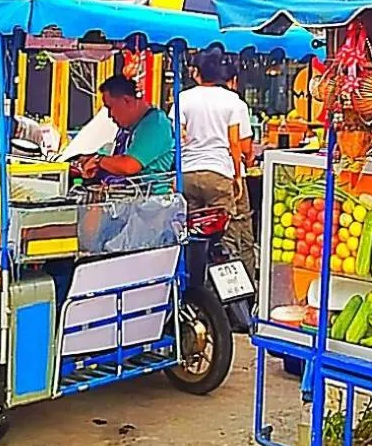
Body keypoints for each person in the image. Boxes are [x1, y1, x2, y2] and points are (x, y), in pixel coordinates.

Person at [176, 50, 257, 278]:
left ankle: (194, 285)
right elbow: (236, 143)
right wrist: (238, 176)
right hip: (219, 173)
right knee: (225, 235)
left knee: (191, 233)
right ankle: (227, 293)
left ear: (197, 73)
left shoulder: (183, 98)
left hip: (188, 174)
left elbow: (177, 135)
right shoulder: (232, 101)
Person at [74, 74, 175, 181]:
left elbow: (129, 166)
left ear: (127, 101)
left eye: (110, 107)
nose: (110, 115)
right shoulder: (128, 128)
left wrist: (99, 161)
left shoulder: (155, 125)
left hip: (149, 194)